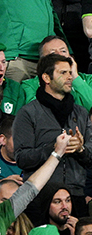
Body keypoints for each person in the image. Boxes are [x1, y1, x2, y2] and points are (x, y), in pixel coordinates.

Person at [12, 54, 92, 197]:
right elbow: (22, 158)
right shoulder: (28, 113)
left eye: (70, 72)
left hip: (76, 194)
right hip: (41, 194)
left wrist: (81, 149)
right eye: (63, 73)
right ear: (46, 78)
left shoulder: (81, 113)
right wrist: (53, 148)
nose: (70, 77)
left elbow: (90, 157)